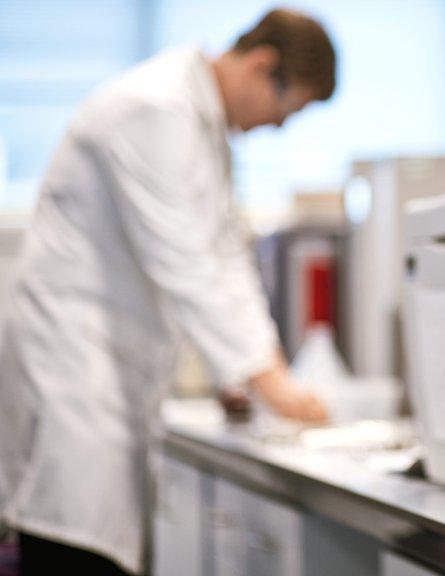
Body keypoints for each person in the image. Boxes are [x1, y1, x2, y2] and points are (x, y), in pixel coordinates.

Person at [0, 8, 338, 575]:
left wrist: (263, 367)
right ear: (263, 65)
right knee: (72, 546)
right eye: (288, 109)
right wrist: (268, 381)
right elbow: (183, 261)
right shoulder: (154, 107)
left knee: (97, 541)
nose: (279, 128)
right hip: (73, 370)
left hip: (107, 372)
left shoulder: (202, 127)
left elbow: (228, 259)